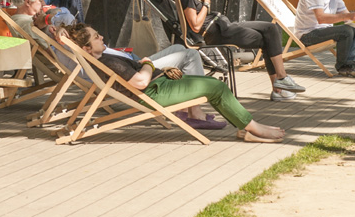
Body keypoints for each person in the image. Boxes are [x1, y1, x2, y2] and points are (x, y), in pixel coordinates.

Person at [10, 0, 225, 129]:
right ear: (28, 2)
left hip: (129, 65)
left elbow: (59, 20)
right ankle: (194, 113)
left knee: (184, 52)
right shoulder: (39, 27)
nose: (44, 5)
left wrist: (51, 22)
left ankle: (190, 111)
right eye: (40, 0)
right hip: (131, 71)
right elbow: (61, 19)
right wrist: (53, 22)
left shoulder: (49, 29)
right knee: (188, 54)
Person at [62, 23, 285, 143]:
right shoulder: (108, 62)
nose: (101, 37)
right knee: (216, 87)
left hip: (160, 85)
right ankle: (253, 128)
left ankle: (245, 128)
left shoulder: (102, 59)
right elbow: (140, 82)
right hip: (155, 92)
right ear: (87, 49)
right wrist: (148, 64)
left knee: (212, 85)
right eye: (96, 37)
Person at [173, 0, 306, 101]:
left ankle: (280, 82)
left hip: (224, 25)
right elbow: (196, 25)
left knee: (270, 28)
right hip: (217, 32)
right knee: (267, 39)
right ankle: (279, 84)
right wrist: (206, 3)